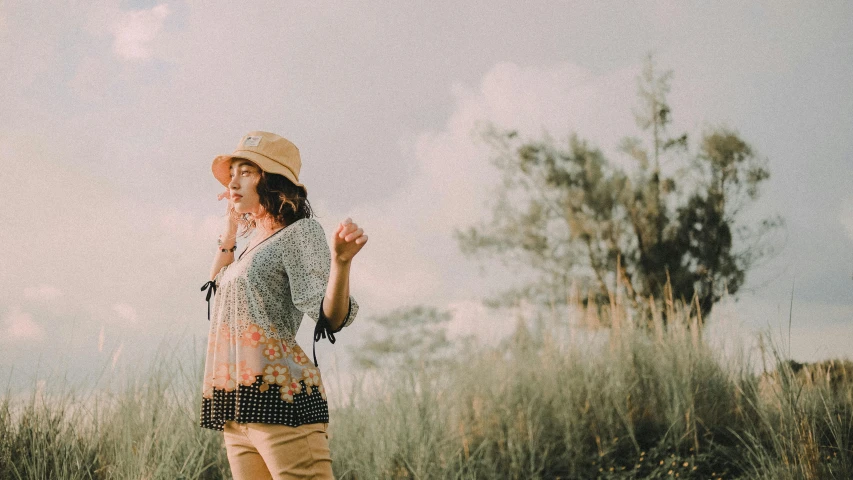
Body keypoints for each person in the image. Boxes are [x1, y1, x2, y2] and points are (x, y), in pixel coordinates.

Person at [198, 131, 367, 479]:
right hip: (237, 402)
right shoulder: (249, 245)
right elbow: (217, 290)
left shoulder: (300, 232)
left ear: (273, 181)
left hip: (280, 398)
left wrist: (341, 263)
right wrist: (229, 230)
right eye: (232, 173)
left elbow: (328, 318)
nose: (233, 181)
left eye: (246, 171)